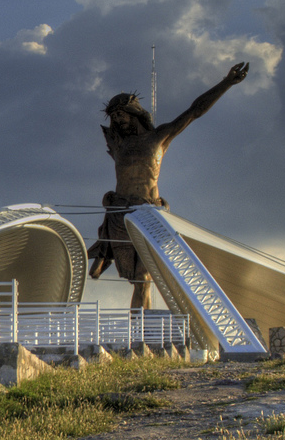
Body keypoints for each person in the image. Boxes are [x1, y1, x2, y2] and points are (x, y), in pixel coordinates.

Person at [87, 62, 249, 310]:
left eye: (123, 115)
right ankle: (138, 330)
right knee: (137, 280)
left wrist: (226, 82)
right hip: (120, 214)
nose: (119, 122)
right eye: (115, 118)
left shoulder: (159, 137)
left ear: (135, 112)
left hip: (149, 214)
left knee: (144, 278)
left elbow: (194, 111)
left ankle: (140, 332)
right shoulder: (119, 145)